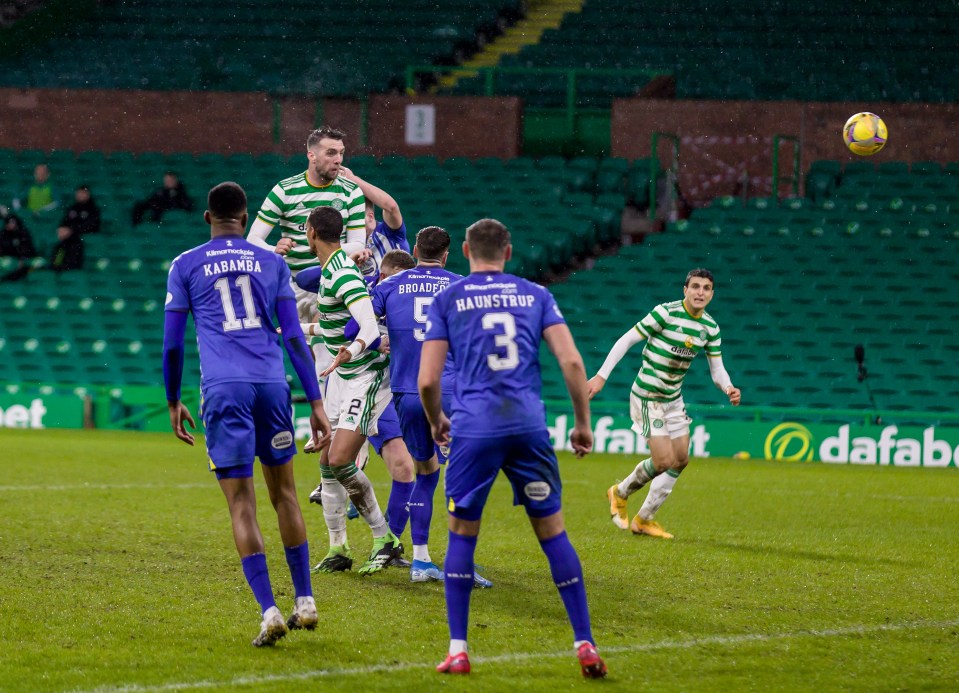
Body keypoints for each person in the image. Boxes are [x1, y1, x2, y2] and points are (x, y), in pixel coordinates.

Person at [419, 218, 606, 678]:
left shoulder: (449, 298)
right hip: (527, 427)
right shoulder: (536, 295)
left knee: (462, 534)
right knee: (553, 533)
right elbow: (572, 361)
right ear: (508, 251)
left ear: (465, 250)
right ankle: (585, 643)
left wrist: (437, 419)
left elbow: (427, 379)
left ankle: (459, 650)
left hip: (474, 429)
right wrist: (582, 424)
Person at [162, 181, 332, 647]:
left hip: (225, 389)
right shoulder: (272, 262)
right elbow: (295, 337)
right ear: (246, 214)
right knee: (286, 496)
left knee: (242, 504)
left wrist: (174, 399)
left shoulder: (185, 264)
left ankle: (270, 611)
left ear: (207, 218)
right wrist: (315, 402)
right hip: (272, 387)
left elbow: (174, 342)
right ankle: (305, 599)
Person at [370, 240, 492, 586]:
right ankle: (461, 565)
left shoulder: (389, 284)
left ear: (417, 251)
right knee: (464, 477)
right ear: (447, 254)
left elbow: (357, 325)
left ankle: (421, 561)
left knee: (425, 472)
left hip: (406, 392)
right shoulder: (460, 285)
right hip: (449, 391)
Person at [588, 268, 741, 539]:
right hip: (648, 396)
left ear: (712, 294)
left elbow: (717, 370)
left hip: (673, 399)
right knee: (663, 461)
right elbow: (627, 339)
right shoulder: (665, 313)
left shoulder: (710, 328)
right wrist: (601, 376)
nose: (700, 292)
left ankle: (644, 519)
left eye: (706, 288)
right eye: (695, 286)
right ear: (685, 289)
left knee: (680, 459)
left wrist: (728, 387)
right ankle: (619, 492)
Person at [297, 205, 399, 575]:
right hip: (342, 376)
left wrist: (350, 351)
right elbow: (335, 328)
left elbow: (369, 330)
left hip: (364, 376)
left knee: (339, 459)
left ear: (311, 232)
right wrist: (296, 330)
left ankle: (384, 538)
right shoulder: (331, 272)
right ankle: (338, 547)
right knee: (327, 462)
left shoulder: (344, 275)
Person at [247, 127, 367, 381]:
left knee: (325, 350)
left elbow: (357, 243)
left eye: (342, 153)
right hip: (290, 286)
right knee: (306, 356)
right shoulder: (285, 190)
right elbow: (253, 239)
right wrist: (274, 249)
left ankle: (330, 412)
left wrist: (325, 252)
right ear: (311, 155)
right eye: (331, 153)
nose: (338, 160)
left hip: (326, 281)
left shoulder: (350, 192)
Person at [0, 212, 37, 282]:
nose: (10, 224)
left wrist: (22, 258)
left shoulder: (23, 233)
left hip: (24, 258)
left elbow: (28, 249)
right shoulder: (3, 234)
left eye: (13, 222)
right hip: (9, 258)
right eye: (9, 222)